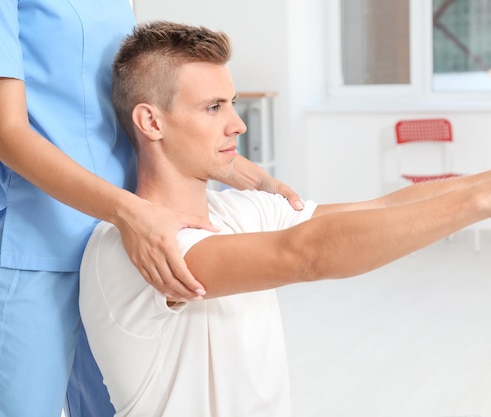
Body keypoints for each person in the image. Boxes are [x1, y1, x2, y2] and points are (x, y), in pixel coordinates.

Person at [79, 21, 491, 417]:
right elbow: (307, 254)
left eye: (232, 104)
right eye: (213, 107)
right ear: (150, 121)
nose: (237, 123)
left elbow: (380, 208)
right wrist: (490, 198)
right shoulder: (132, 247)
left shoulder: (240, 209)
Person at [0, 3, 303, 417]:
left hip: (124, 248)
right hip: (42, 242)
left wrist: (249, 176)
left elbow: (141, 104)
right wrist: (127, 212)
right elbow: (7, 133)